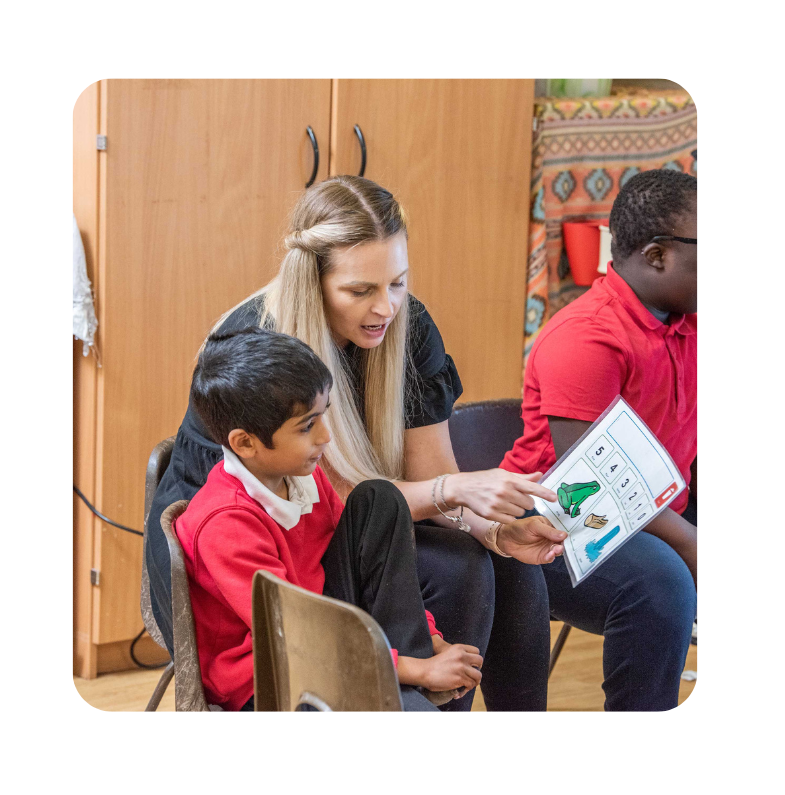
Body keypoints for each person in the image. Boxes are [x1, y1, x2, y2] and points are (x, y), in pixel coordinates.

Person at [147, 175, 566, 713]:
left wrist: (495, 528)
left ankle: (426, 687)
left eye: (396, 282)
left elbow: (429, 484)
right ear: (314, 282)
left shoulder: (404, 326)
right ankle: (414, 685)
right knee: (458, 571)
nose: (386, 308)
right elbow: (299, 609)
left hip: (323, 551)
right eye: (360, 290)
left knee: (500, 562)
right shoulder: (255, 357)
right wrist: (415, 661)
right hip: (247, 584)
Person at [175, 326, 485, 711]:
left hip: (324, 625)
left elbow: (380, 575)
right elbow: (297, 636)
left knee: (380, 498)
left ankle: (410, 674)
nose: (325, 437)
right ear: (245, 443)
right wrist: (418, 671)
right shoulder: (226, 524)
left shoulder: (305, 476)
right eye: (307, 426)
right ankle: (409, 683)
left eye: (324, 416)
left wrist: (431, 642)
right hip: (275, 676)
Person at [501, 168, 698, 711]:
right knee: (662, 585)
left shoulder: (687, 324)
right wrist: (689, 543)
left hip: (656, 515)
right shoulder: (588, 337)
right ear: (657, 255)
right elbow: (596, 488)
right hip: (555, 526)